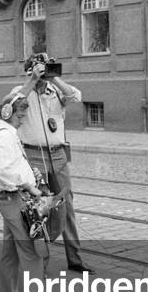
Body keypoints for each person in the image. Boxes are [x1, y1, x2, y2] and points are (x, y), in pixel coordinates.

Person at [11, 53, 93, 273]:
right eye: (39, 70)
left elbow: (76, 96)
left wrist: (54, 77)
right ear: (29, 71)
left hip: (58, 155)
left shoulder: (55, 91)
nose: (42, 75)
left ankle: (74, 258)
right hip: (34, 156)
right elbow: (9, 106)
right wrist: (32, 81)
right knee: (39, 209)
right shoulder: (22, 92)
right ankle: (40, 263)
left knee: (66, 207)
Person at [0, 91, 48, 292]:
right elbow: (7, 171)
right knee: (32, 254)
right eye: (21, 114)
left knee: (10, 253)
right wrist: (30, 186)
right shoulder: (6, 135)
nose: (23, 119)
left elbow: (9, 166)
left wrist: (29, 174)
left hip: (7, 200)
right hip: (15, 198)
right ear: (8, 112)